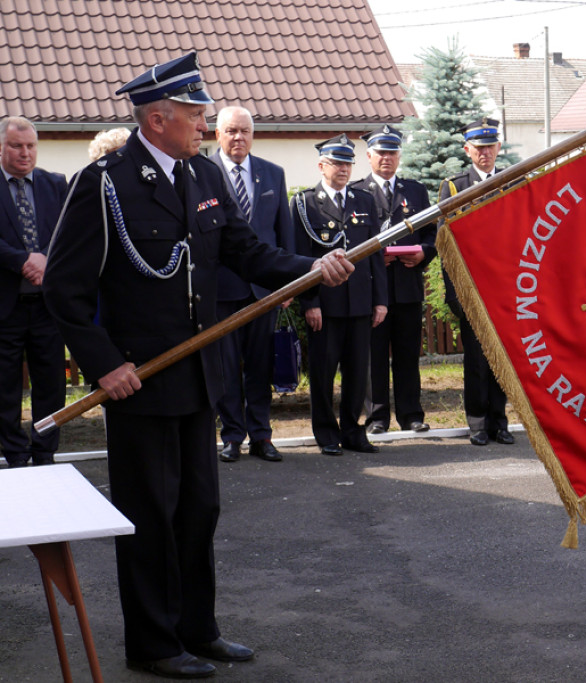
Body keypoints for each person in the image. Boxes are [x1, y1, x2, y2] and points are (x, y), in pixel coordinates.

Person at [42, 53, 355, 679]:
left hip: (198, 374)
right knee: (150, 515)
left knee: (198, 510)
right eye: (195, 115)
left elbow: (246, 251)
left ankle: (196, 629)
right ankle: (153, 644)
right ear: (157, 120)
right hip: (140, 379)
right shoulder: (106, 183)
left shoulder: (203, 173)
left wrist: (310, 269)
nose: (206, 125)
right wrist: (104, 366)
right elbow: (63, 289)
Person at [292, 134, 386, 456]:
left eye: (348, 163)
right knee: (323, 373)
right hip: (325, 305)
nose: (344, 169)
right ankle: (326, 434)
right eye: (337, 163)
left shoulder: (364, 201)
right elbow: (301, 256)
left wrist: (380, 300)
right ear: (322, 166)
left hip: (359, 302)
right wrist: (310, 302)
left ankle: (352, 431)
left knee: (357, 373)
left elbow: (375, 254)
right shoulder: (305, 203)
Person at [211, 106, 295, 463]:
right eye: (231, 131)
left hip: (263, 291)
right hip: (221, 289)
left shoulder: (272, 173)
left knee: (261, 365)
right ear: (217, 134)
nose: (238, 138)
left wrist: (288, 284)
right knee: (227, 367)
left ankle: (261, 435)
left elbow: (283, 233)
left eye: (244, 131)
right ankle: (232, 436)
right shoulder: (203, 173)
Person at [352, 125, 436, 435]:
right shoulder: (357, 192)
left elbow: (431, 232)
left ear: (399, 156)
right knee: (373, 356)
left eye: (392, 152)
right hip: (374, 288)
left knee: (407, 354)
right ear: (369, 155)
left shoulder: (415, 191)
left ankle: (411, 415)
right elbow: (352, 240)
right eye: (381, 152)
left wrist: (424, 253)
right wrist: (373, 258)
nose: (386, 158)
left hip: (407, 285)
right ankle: (377, 418)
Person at [439, 118, 514, 447]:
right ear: (467, 150)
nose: (485, 153)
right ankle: (478, 423)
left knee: (502, 360)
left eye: (490, 146)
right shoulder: (454, 187)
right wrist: (454, 293)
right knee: (476, 361)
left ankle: (500, 421)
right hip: (472, 289)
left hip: (505, 290)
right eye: (479, 147)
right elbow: (446, 245)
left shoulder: (512, 180)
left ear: (499, 147)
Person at [0, 116, 68, 469]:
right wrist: (23, 259)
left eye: (30, 146)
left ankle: (44, 454)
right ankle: (14, 454)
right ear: (1, 147)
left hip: (47, 307)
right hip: (5, 307)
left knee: (51, 385)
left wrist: (45, 260)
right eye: (16, 146)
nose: (25, 153)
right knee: (4, 388)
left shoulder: (55, 184)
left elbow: (69, 233)